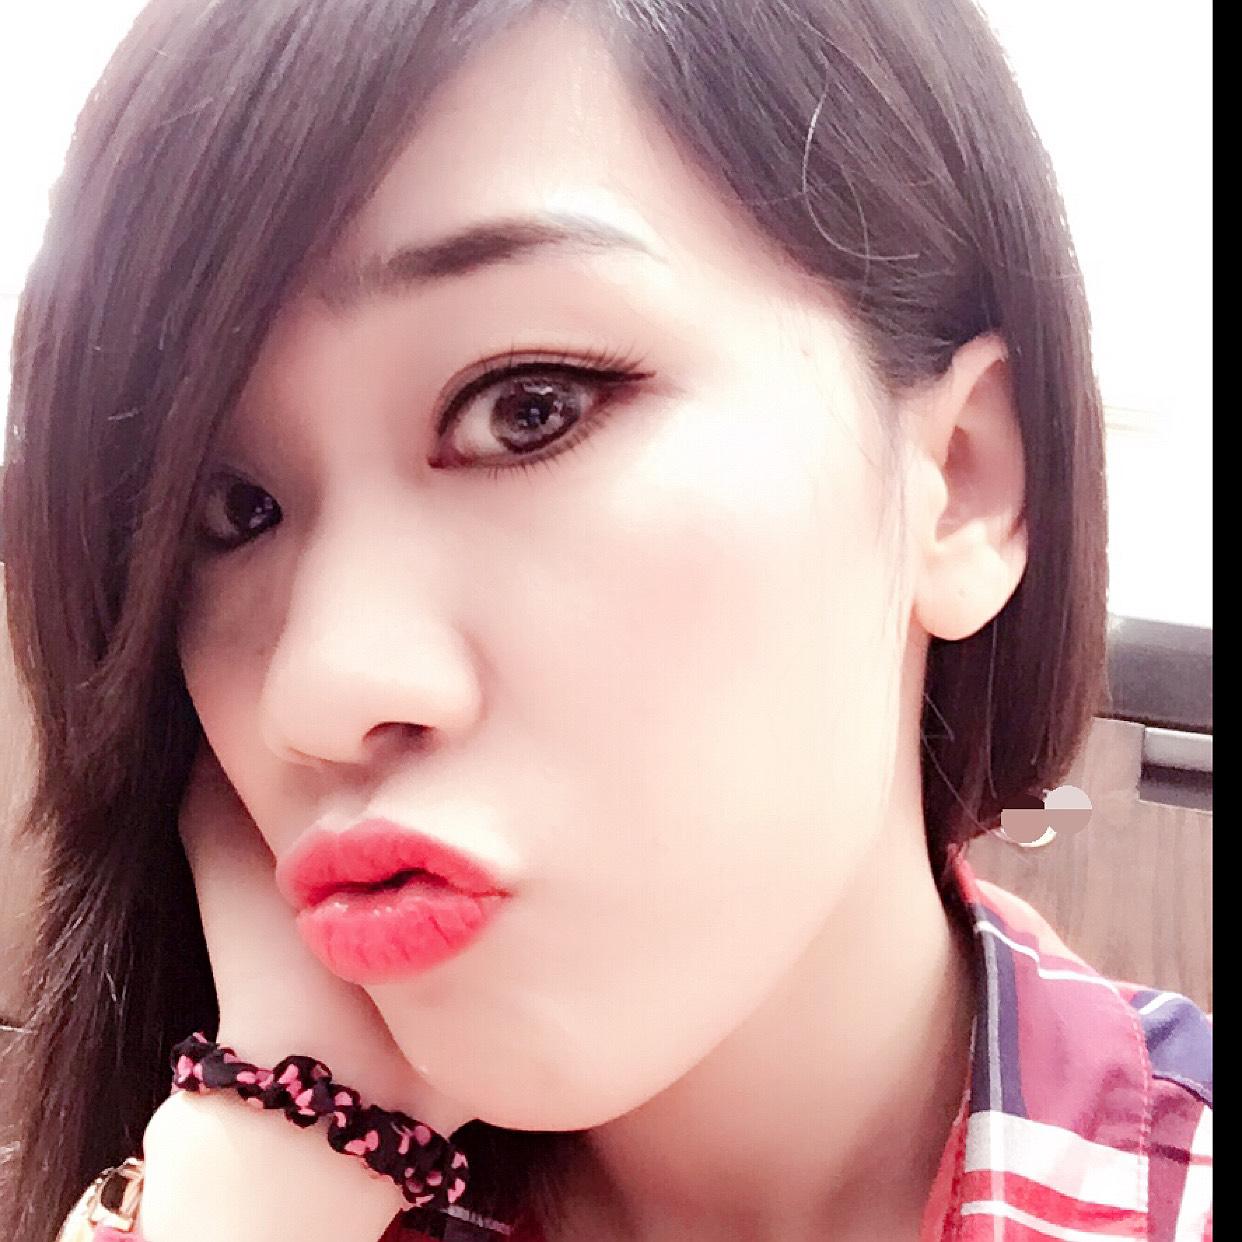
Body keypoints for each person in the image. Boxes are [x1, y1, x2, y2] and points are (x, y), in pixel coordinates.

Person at [0, 0, 1211, 1239]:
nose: (316, 690)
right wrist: (268, 1156)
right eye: (234, 510)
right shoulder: (224, 1187)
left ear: (960, 477)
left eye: (528, 407)